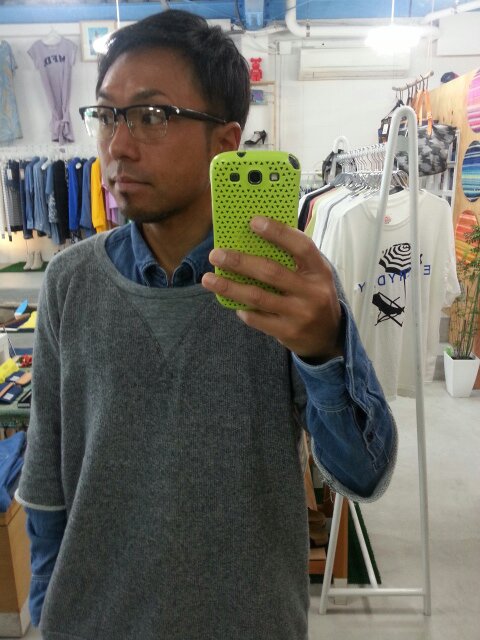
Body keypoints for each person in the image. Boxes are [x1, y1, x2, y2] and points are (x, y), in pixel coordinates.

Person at [16, 10, 397, 640]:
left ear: (225, 142)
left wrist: (323, 350)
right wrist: (45, 611)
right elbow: (48, 485)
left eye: (151, 115)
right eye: (106, 115)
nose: (117, 146)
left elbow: (364, 474)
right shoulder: (70, 282)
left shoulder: (289, 286)